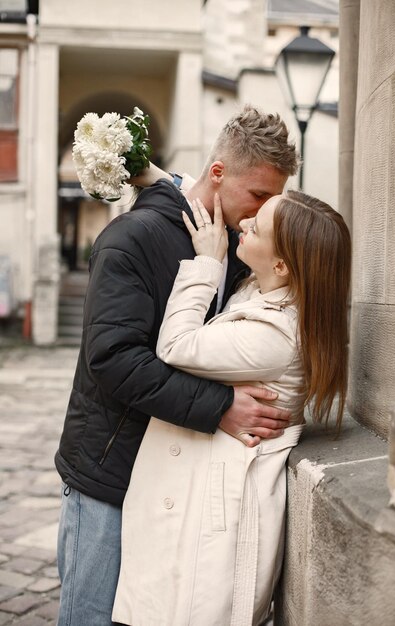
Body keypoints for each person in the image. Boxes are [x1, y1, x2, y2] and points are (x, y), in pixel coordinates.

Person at [55, 105, 299, 626]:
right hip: (109, 472)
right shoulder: (131, 238)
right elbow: (114, 361)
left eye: (274, 199)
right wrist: (220, 407)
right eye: (258, 195)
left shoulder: (239, 244)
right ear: (217, 174)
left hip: (173, 479)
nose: (262, 211)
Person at [112, 190, 351, 626]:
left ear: (281, 265)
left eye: (257, 226)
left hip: (210, 518)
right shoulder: (260, 292)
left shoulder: (276, 334)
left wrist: (206, 265)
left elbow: (175, 345)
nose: (244, 225)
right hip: (198, 495)